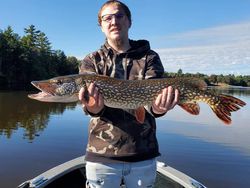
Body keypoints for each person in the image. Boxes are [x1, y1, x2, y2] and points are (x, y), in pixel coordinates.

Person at [78, 0, 179, 187]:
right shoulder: (92, 61)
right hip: (101, 155)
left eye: (119, 16)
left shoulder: (149, 57)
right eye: (107, 18)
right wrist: (93, 108)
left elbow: (152, 105)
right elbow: (90, 108)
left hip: (142, 154)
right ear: (101, 26)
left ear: (129, 21)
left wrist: (159, 108)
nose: (114, 21)